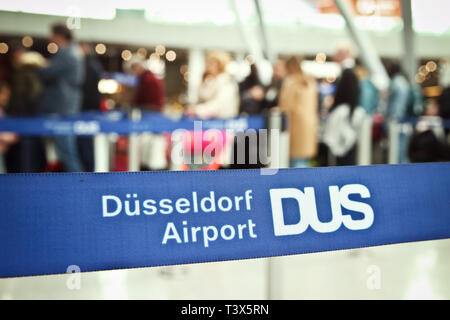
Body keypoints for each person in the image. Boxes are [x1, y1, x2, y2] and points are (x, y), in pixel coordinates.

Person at [38, 23, 85, 172]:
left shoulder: (67, 53)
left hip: (62, 107)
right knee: (65, 149)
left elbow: (46, 73)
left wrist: (35, 65)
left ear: (59, 36)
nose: (50, 38)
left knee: (66, 150)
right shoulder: (74, 52)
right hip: (67, 105)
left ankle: (79, 184)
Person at [4, 47, 47, 173]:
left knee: (23, 159)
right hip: (37, 119)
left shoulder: (20, 74)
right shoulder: (42, 75)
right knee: (35, 155)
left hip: (22, 120)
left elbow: (19, 97)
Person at [323, 42, 364, 166]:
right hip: (345, 119)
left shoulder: (349, 74)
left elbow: (350, 98)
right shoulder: (348, 73)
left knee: (344, 155)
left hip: (344, 121)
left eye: (338, 53)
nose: (336, 56)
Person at [278, 56, 318, 168]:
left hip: (294, 126)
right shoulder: (309, 81)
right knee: (303, 162)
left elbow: (286, 105)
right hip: (308, 126)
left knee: (294, 164)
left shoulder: (290, 81)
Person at [185, 51, 239, 119]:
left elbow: (218, 105)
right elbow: (201, 99)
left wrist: (196, 110)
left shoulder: (227, 83)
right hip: (211, 123)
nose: (208, 67)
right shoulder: (210, 82)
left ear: (220, 65)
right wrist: (202, 82)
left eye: (211, 64)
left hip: (223, 123)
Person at [77, 43, 104, 172]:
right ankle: (89, 169)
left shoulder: (86, 66)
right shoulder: (95, 65)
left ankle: (87, 170)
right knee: (88, 142)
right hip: (92, 107)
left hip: (86, 108)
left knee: (85, 142)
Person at [386, 63, 413, 164]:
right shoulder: (405, 81)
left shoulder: (394, 82)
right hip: (405, 118)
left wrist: (389, 119)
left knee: (395, 148)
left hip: (396, 119)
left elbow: (392, 103)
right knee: (402, 148)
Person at [0, 82, 18, 173]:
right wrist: (12, 137)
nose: (6, 97)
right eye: (3, 94)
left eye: (8, 95)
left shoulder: (3, 111)